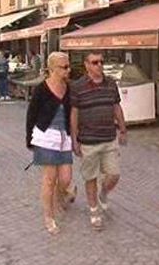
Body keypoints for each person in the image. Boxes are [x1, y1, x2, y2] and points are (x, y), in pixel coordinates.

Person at [70, 52, 127, 230]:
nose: (99, 65)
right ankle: (94, 211)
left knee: (114, 174)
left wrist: (123, 128)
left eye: (101, 62)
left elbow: (116, 106)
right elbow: (74, 113)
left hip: (109, 137)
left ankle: (104, 192)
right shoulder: (78, 86)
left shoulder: (111, 84)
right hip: (88, 140)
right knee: (91, 177)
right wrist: (74, 138)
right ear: (86, 65)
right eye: (95, 62)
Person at [26, 52, 76, 235]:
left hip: (64, 137)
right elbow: (31, 114)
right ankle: (49, 216)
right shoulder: (41, 89)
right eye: (64, 67)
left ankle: (60, 195)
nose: (68, 70)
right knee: (49, 179)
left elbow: (73, 113)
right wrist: (29, 139)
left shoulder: (69, 88)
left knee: (65, 178)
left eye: (68, 66)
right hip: (45, 137)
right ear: (52, 68)